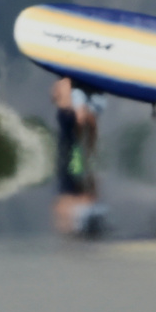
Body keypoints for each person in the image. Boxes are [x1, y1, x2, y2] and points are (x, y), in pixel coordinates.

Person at [51, 76, 107, 235]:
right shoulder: (66, 84)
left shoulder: (69, 86)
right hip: (70, 142)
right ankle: (87, 161)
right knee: (70, 154)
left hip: (72, 176)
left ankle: (89, 160)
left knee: (73, 161)